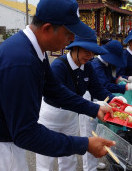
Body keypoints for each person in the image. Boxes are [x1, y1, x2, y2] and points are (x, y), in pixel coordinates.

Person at [0, 0, 115, 171]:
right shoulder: (22, 62)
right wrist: (84, 144)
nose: (72, 40)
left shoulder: (33, 48)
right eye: (69, 33)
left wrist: (95, 108)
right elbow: (26, 134)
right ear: (47, 29)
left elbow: (54, 89)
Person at [36, 34, 118, 171]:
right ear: (74, 48)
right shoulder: (58, 66)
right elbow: (62, 97)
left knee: (69, 157)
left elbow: (97, 89)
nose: (89, 55)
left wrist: (115, 99)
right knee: (46, 159)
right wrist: (93, 107)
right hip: (51, 116)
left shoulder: (88, 67)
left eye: (92, 52)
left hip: (71, 116)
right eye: (86, 51)